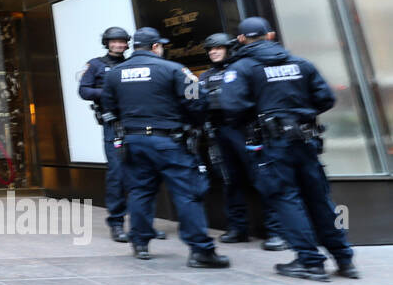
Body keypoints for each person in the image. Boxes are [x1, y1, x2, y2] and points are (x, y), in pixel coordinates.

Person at [220, 17, 357, 281]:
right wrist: (299, 116)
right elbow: (326, 98)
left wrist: (263, 118)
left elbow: (232, 107)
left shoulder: (243, 68)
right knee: (320, 200)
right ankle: (344, 259)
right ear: (270, 35)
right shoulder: (301, 63)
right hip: (306, 141)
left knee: (286, 199)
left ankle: (309, 261)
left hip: (273, 145)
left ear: (240, 39)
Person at [101, 26, 228, 268]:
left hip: (133, 141)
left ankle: (140, 243)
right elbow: (195, 99)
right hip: (169, 141)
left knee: (140, 192)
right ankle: (201, 250)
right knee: (188, 194)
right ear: (156, 47)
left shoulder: (115, 74)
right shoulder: (173, 69)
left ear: (134, 46)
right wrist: (194, 124)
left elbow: (108, 106)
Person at [198, 32, 287, 250]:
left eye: (218, 48)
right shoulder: (205, 77)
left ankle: (276, 231)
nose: (213, 52)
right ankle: (238, 228)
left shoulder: (241, 69)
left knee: (262, 179)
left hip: (246, 130)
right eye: (210, 49)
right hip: (219, 133)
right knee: (231, 181)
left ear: (229, 48)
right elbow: (196, 101)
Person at [79, 27, 165, 244]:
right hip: (114, 125)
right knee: (117, 175)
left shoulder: (131, 64)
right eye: (113, 42)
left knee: (144, 175)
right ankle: (116, 223)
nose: (118, 45)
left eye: (121, 42)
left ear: (127, 44)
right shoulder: (96, 65)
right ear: (107, 43)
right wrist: (111, 92)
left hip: (137, 123)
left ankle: (145, 225)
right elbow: (84, 91)